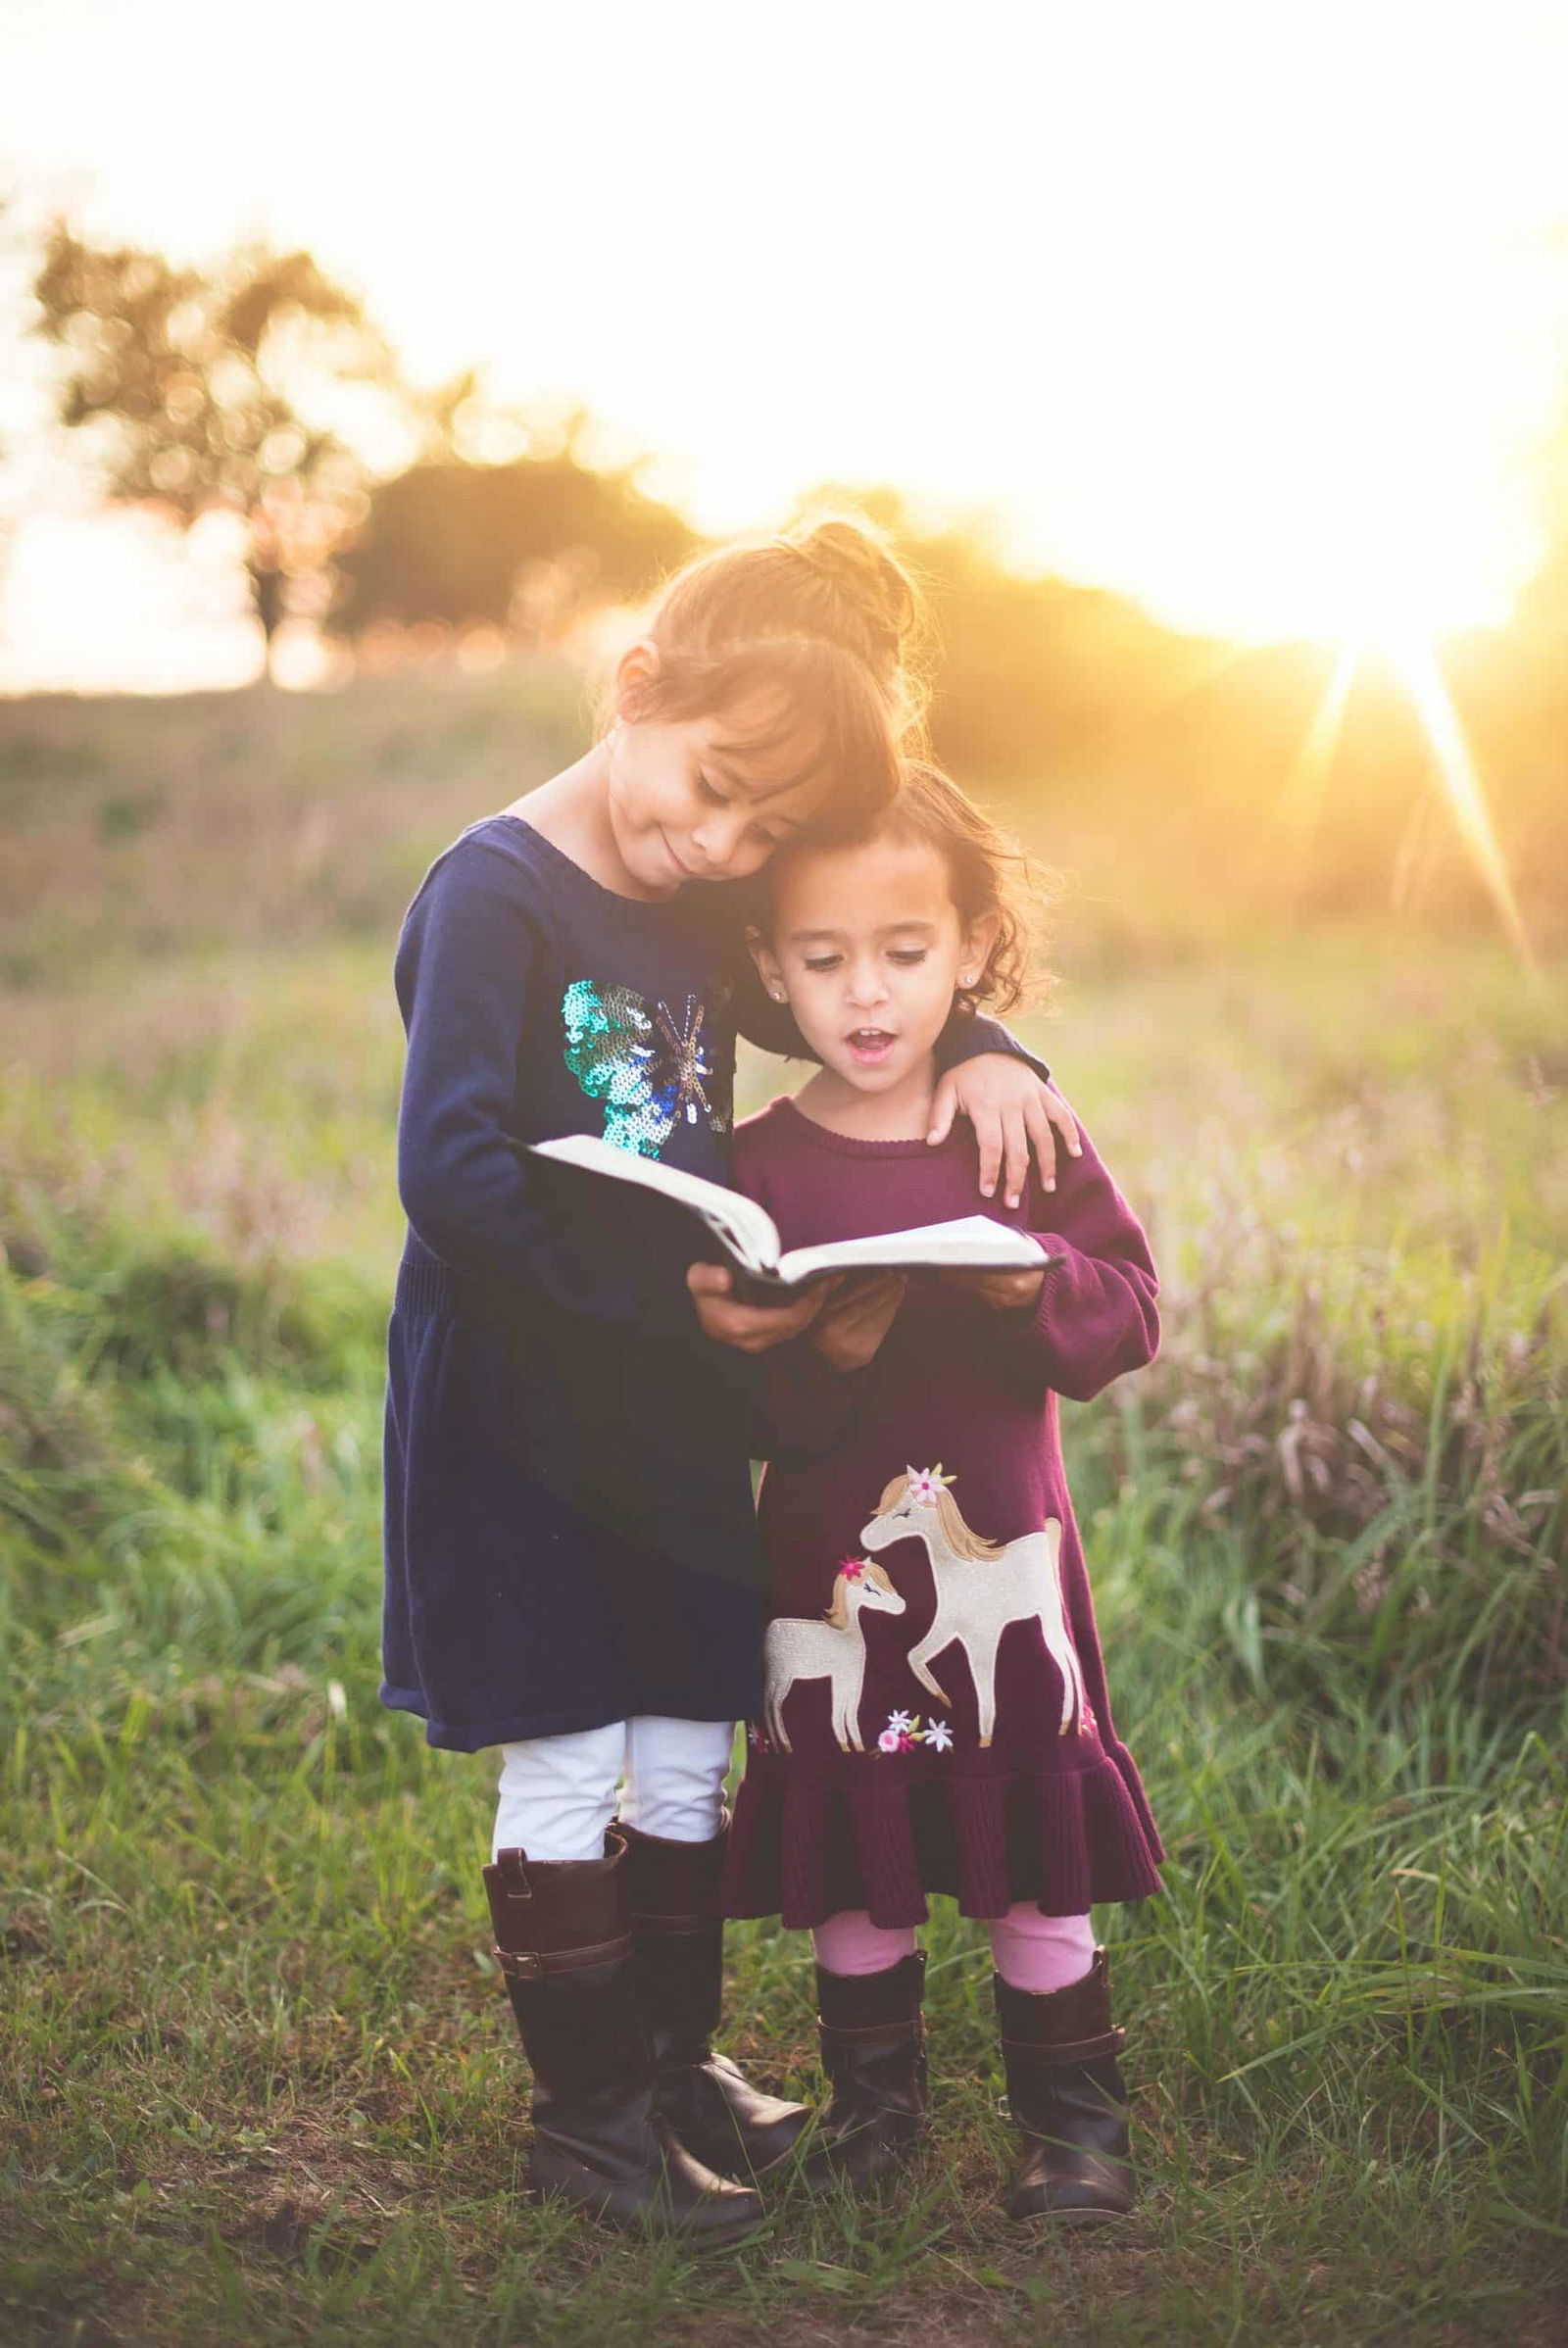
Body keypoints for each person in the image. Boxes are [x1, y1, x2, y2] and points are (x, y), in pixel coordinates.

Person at [381, 517, 1079, 2243]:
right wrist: (660, 1296)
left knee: (692, 1737)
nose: (722, 846)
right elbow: (451, 1170)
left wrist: (985, 1040)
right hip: (526, 1401)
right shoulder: (494, 889)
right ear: (635, 689)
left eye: (764, 832)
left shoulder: (699, 901)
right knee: (566, 1748)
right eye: (712, 793)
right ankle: (590, 2125)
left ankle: (677, 2069)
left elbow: (845, 996)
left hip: (678, 1403)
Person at [719, 761, 1164, 2226]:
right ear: (770, 968)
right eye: (823, 958)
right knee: (854, 1843)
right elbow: (731, 1400)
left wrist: (1028, 1278)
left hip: (1003, 1553)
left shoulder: (1017, 1128)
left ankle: (1073, 2125)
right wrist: (813, 1350)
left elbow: (1127, 1313)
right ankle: (874, 2113)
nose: (865, 994)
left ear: (970, 951)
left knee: (1032, 1848)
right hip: (829, 1566)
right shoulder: (757, 1169)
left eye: (905, 955)